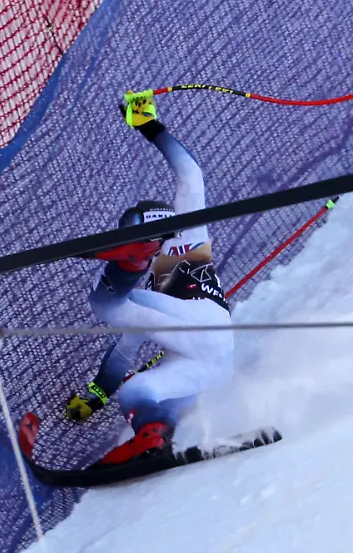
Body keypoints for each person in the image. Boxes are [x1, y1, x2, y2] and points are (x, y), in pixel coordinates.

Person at [65, 91, 233, 465]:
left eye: (138, 241)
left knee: (110, 303)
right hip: (209, 368)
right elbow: (124, 350)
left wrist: (148, 124)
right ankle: (152, 437)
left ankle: (129, 262)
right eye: (131, 244)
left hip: (206, 325)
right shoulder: (153, 301)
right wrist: (98, 395)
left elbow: (191, 175)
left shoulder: (187, 235)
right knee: (138, 391)